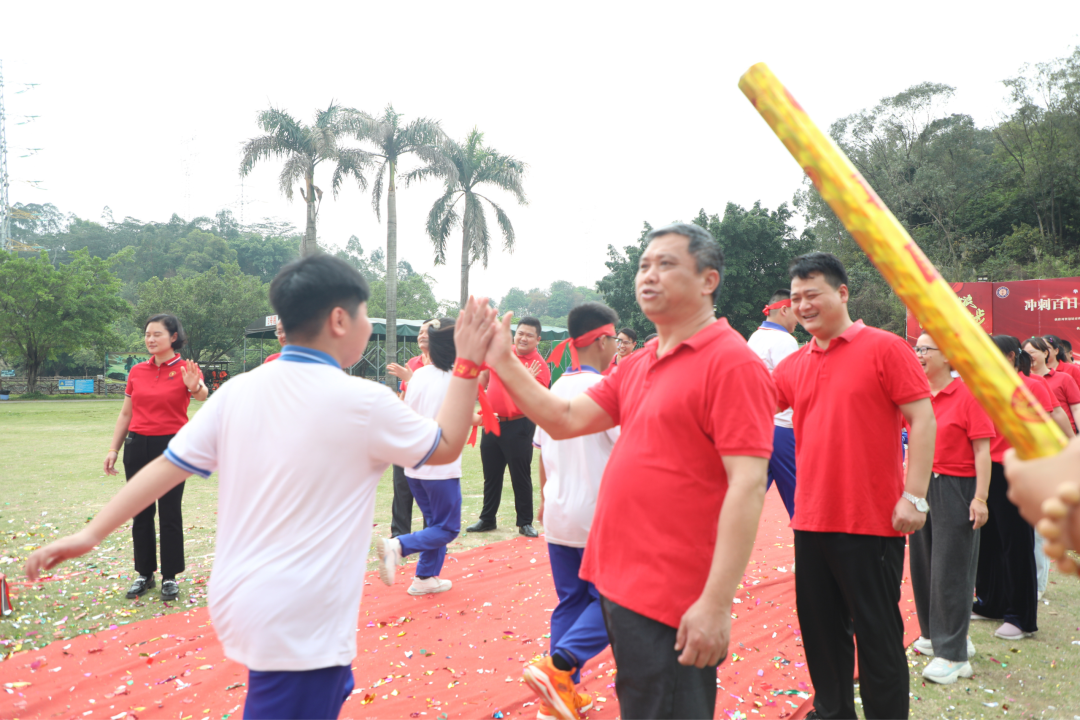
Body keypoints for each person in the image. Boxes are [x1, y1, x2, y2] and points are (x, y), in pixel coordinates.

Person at [26, 255, 496, 720]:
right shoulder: (363, 401)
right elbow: (448, 444)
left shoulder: (239, 389)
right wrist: (469, 362)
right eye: (363, 314)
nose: (367, 327)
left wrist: (91, 534)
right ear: (338, 319)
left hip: (243, 596)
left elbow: (164, 469)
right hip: (302, 611)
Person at [482, 223, 775, 719]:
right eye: (644, 266)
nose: (649, 276)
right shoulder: (638, 364)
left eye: (666, 265)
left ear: (709, 281)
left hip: (676, 593)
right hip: (618, 579)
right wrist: (502, 360)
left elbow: (747, 484)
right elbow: (565, 417)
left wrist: (716, 602)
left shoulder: (733, 364)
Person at [772, 252, 935, 720]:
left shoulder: (884, 348)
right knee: (822, 634)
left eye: (813, 294)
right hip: (811, 519)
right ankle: (832, 712)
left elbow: (923, 419)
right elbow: (744, 408)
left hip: (871, 522)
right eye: (796, 297)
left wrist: (915, 495)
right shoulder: (794, 363)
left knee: (879, 637)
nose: (803, 305)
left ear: (842, 293)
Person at [523, 302, 621, 720]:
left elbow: (543, 458)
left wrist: (546, 502)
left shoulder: (553, 390)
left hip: (560, 512)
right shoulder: (608, 390)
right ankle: (558, 665)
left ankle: (558, 697)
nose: (617, 345)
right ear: (602, 339)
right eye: (615, 337)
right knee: (614, 602)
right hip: (600, 514)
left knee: (569, 601)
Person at [909, 332, 994, 683]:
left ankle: (954, 655)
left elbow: (982, 451)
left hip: (956, 487)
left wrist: (981, 498)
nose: (918, 355)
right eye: (916, 349)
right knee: (924, 564)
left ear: (947, 356)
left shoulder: (968, 395)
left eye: (924, 350)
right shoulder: (917, 397)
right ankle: (934, 636)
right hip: (922, 484)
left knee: (951, 569)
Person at [104, 313, 207, 603]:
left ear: (173, 337)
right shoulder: (137, 371)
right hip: (137, 446)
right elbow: (126, 413)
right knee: (140, 511)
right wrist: (114, 448)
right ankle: (144, 574)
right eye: (147, 334)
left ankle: (170, 577)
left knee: (170, 512)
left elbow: (202, 396)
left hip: (173, 448)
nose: (150, 339)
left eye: (157, 334)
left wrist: (194, 385)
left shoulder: (186, 368)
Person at [377, 318, 474, 596]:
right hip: (439, 467)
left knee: (434, 524)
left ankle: (425, 578)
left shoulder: (418, 375)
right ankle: (398, 547)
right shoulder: (457, 378)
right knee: (447, 528)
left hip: (414, 465)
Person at [972, 335, 1055, 640]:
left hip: (1016, 470)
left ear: (1008, 357)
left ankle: (1020, 616)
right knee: (988, 541)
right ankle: (990, 603)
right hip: (985, 470)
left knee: (1016, 544)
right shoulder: (983, 387)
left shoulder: (1032, 387)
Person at [469, 316, 551, 537]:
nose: (523, 338)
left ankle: (525, 522)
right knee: (491, 474)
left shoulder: (539, 366)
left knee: (520, 475)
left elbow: (536, 401)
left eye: (529, 335)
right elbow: (483, 377)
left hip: (519, 425)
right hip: (492, 422)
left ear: (538, 339)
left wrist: (526, 379)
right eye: (520, 333)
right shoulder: (500, 353)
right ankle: (487, 519)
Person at [746, 289, 800, 519]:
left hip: (757, 427)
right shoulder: (784, 340)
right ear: (785, 310)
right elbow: (795, 387)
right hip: (782, 429)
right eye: (796, 312)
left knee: (747, 499)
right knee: (801, 501)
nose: (799, 319)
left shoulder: (755, 337)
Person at [386, 320, 434, 538]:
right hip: (405, 434)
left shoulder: (445, 366)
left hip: (429, 436)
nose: (422, 335)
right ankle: (399, 536)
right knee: (402, 487)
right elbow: (405, 396)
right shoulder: (412, 362)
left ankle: (430, 535)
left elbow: (436, 398)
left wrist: (411, 380)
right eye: (420, 331)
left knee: (429, 490)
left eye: (428, 331)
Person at [1024, 336, 1080, 434]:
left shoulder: (1064, 378)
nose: (1029, 356)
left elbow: (1076, 409)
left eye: (1032, 352)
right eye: (1026, 354)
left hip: (1063, 436)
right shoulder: (1020, 381)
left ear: (1045, 353)